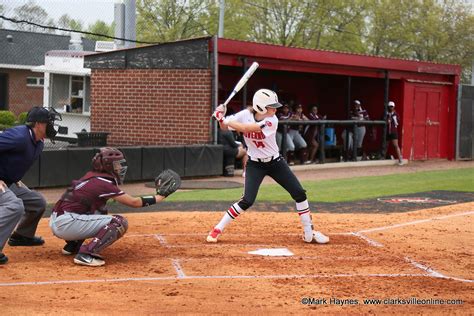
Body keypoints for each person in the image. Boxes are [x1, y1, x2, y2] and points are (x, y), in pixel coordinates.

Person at [209, 89, 329, 244]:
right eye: (271, 106)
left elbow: (247, 128)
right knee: (247, 200)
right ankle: (217, 229)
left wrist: (224, 119)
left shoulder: (273, 120)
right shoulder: (244, 115)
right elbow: (225, 128)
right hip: (254, 164)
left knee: (299, 193)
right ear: (260, 106)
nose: (275, 109)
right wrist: (220, 118)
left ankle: (309, 232)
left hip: (275, 163)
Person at [49, 147, 178, 267]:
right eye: (117, 164)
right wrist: (160, 196)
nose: (120, 167)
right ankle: (85, 254)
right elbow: (133, 202)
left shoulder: (92, 177)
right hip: (67, 223)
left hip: (60, 219)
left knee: (100, 211)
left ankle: (72, 245)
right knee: (118, 222)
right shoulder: (103, 183)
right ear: (107, 165)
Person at [0, 106, 61, 265]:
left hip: (7, 182)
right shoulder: (19, 136)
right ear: (39, 124)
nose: (52, 126)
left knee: (37, 202)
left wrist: (13, 177)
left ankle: (22, 235)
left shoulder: (38, 142)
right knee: (15, 206)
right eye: (49, 122)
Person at [385, 101, 403, 165]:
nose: (390, 108)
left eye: (392, 106)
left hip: (393, 132)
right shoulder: (385, 114)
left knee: (396, 145)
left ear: (394, 107)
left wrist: (392, 119)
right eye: (389, 106)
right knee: (385, 145)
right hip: (387, 132)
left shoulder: (395, 114)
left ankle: (400, 159)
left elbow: (397, 122)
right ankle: (383, 158)